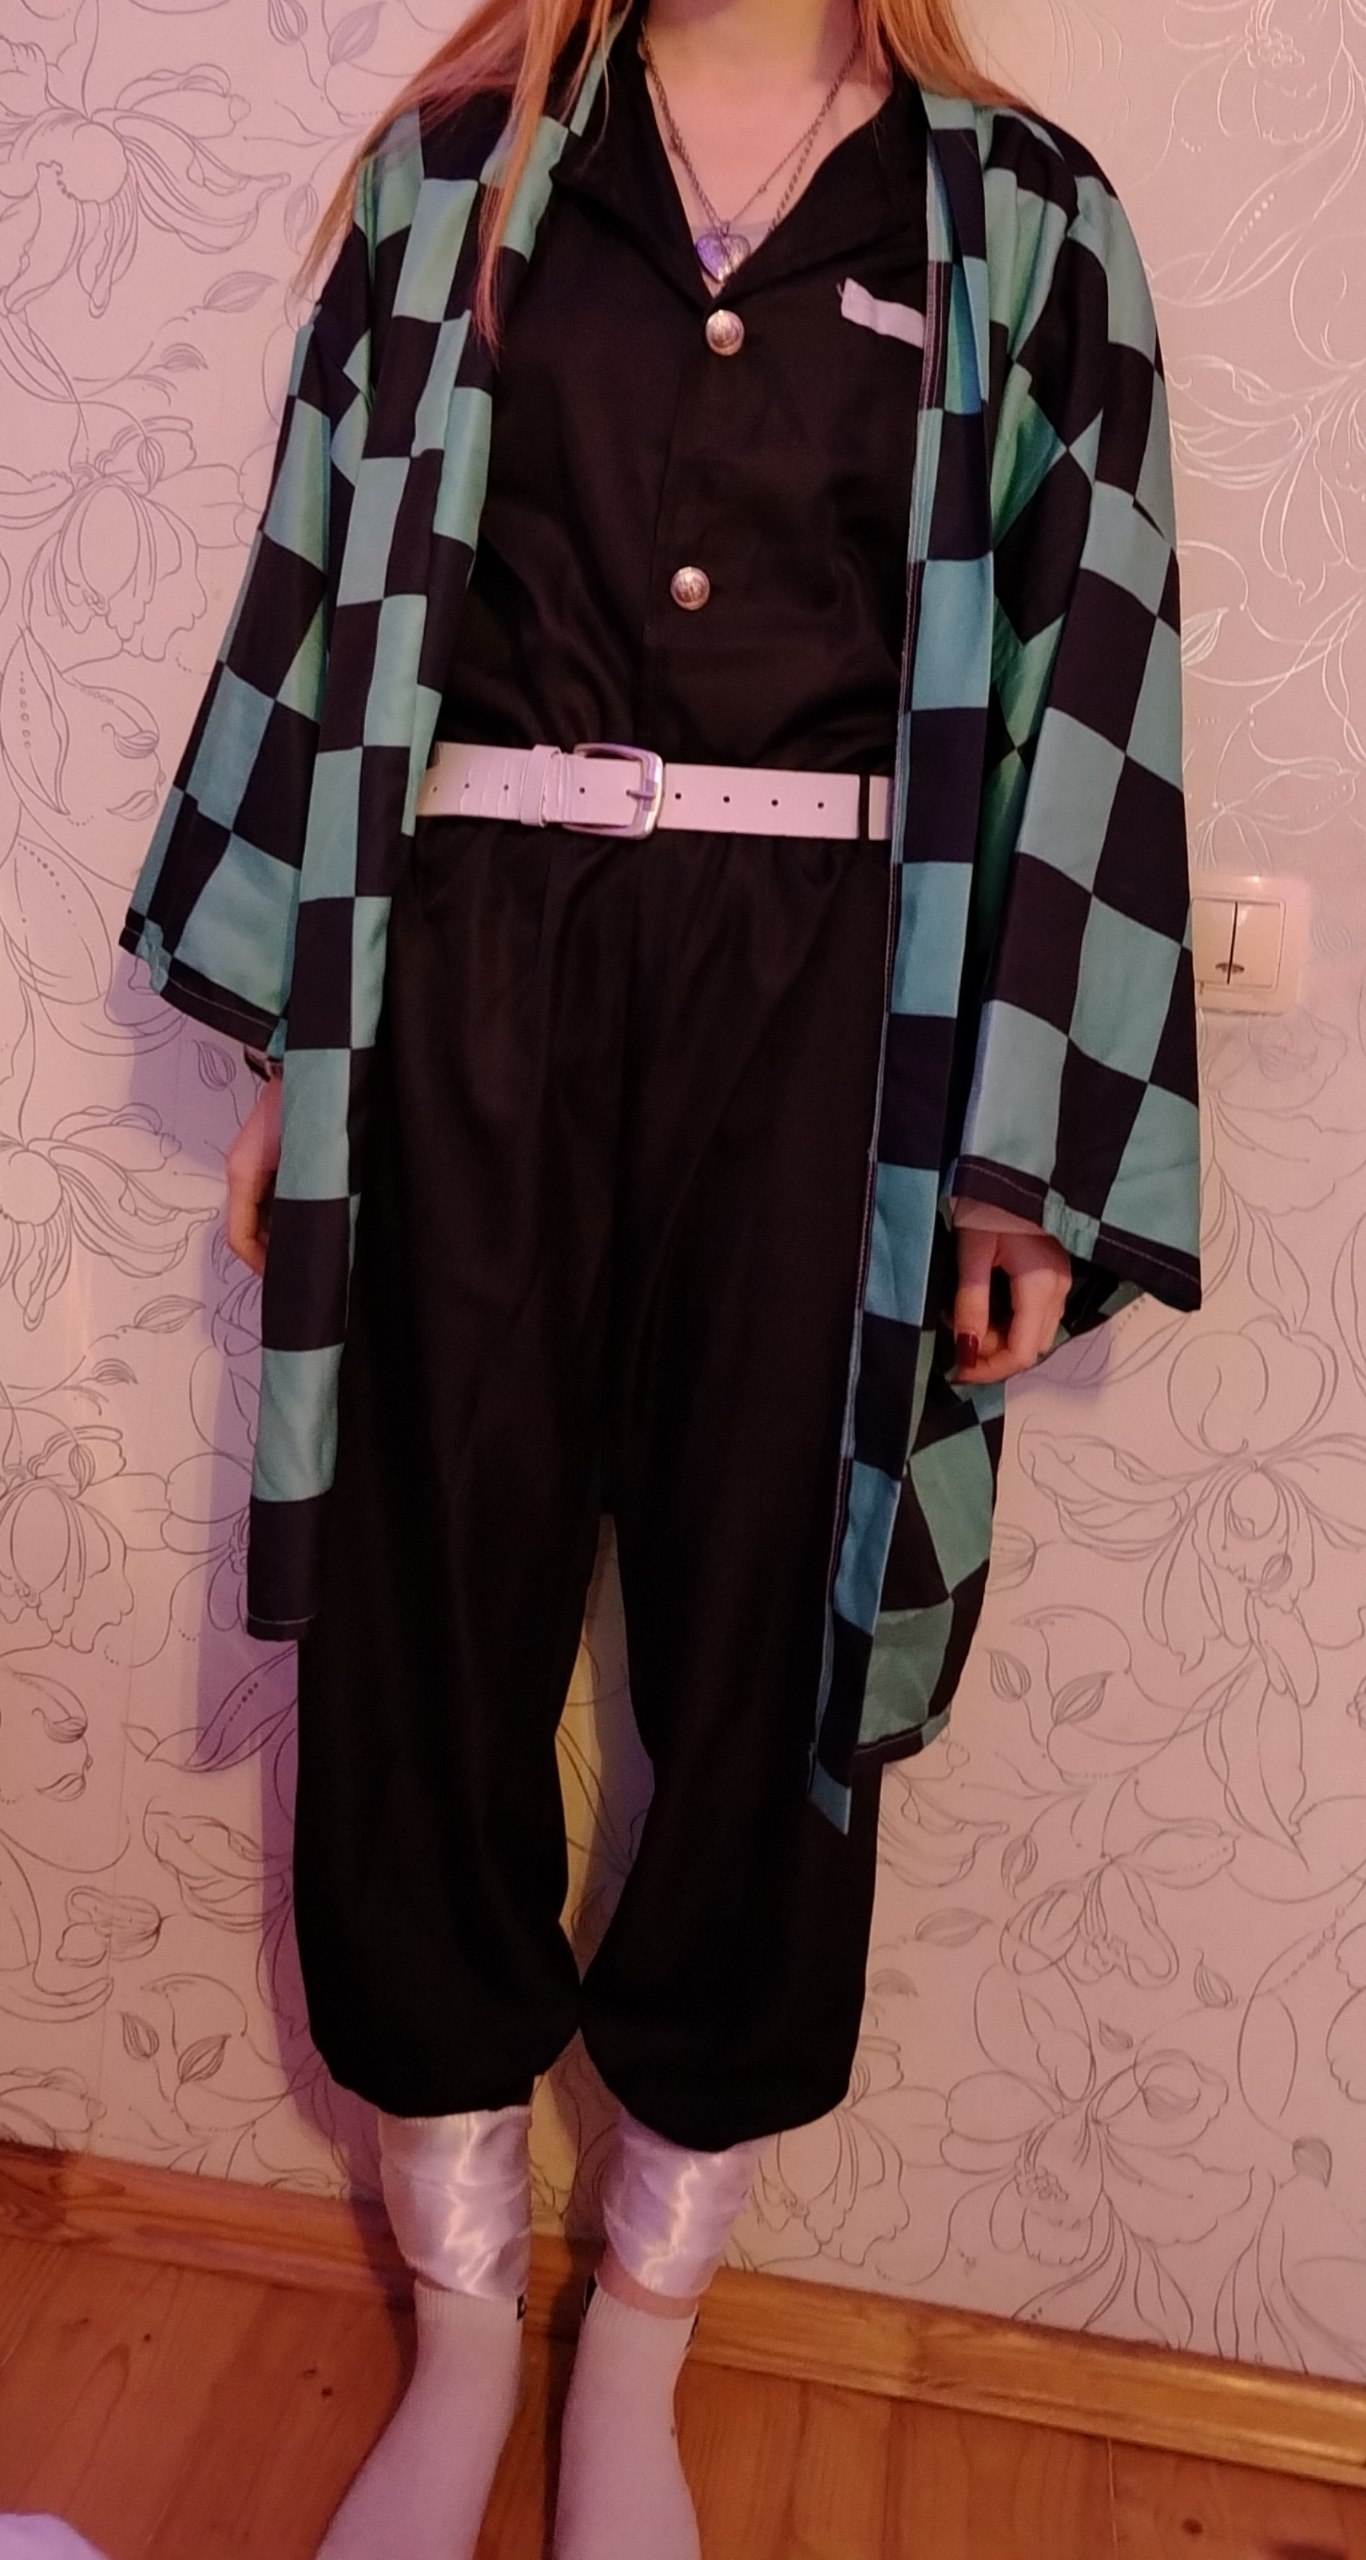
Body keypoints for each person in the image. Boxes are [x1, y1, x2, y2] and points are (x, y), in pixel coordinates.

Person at [120, 0, 1202, 2550]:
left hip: (835, 1024)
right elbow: (320, 595)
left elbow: (1092, 685)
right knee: (424, 1617)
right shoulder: (458, 181)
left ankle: (643, 2336)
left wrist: (1018, 1169)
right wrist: (292, 1055)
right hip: (461, 984)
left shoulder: (1023, 220)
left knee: (766, 1642)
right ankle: (461, 2316)